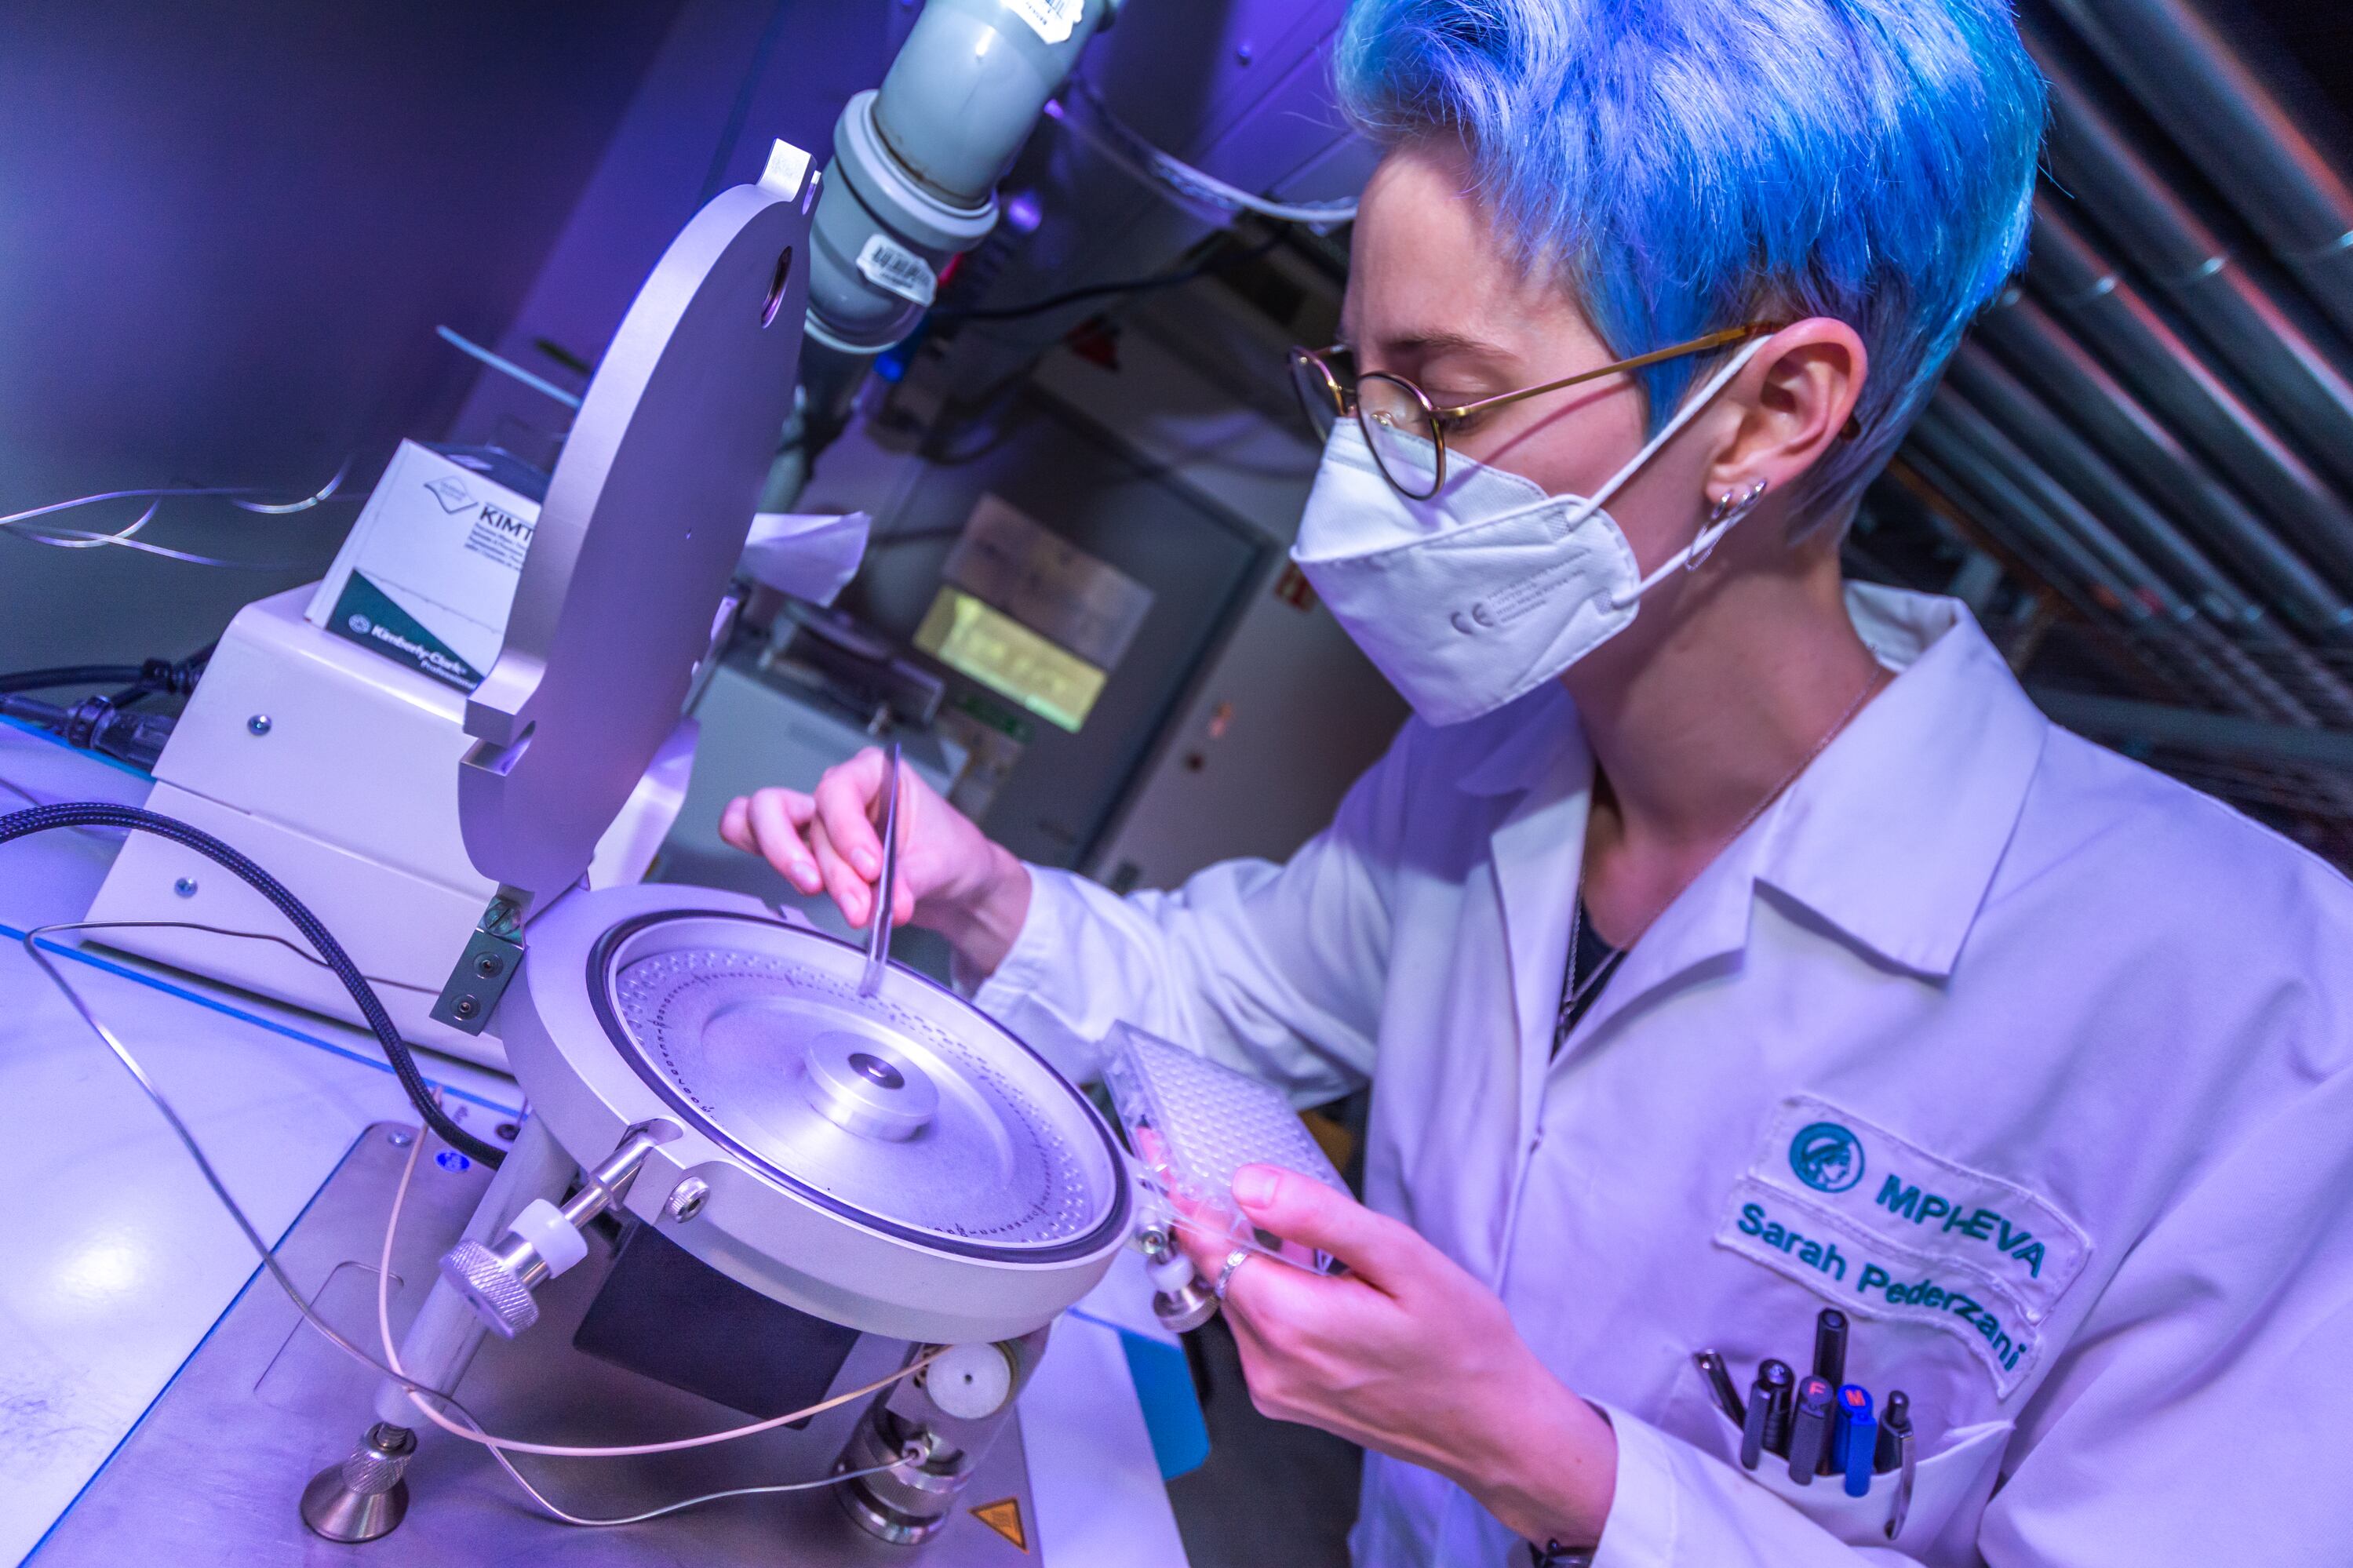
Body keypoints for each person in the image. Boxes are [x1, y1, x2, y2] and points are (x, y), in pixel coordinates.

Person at [725, 0, 2353, 1561]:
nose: (1360, 480)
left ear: (1771, 411)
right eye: (1357, 389)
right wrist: (981, 892)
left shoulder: (2258, 1002)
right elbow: (1224, 995)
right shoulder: (1487, 766)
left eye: (1441, 399)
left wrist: (1546, 1459)